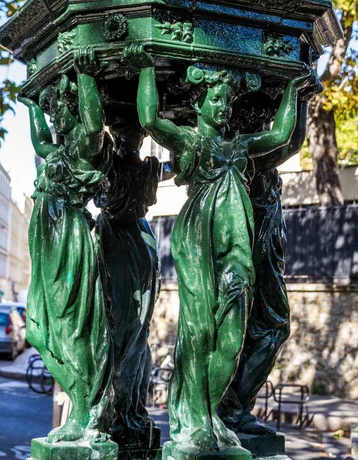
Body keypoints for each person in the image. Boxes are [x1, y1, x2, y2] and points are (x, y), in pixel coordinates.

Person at [130, 46, 317, 458]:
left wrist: (293, 89)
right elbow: (149, 119)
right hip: (201, 245)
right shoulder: (191, 144)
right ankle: (199, 419)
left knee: (231, 336)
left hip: (236, 254)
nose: (223, 107)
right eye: (216, 99)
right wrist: (144, 66)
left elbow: (280, 136)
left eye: (226, 101)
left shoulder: (238, 148)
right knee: (201, 333)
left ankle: (211, 411)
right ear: (199, 102)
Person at [19, 50, 113, 444]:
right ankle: (83, 405)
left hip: (68, 240)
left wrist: (88, 78)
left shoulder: (82, 143)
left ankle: (83, 411)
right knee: (41, 330)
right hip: (47, 243)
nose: (55, 115)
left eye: (60, 107)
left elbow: (93, 123)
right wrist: (30, 104)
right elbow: (40, 140)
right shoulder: (58, 149)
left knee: (70, 327)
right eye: (53, 108)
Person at [219, 88, 319, 435]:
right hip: (255, 258)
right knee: (264, 328)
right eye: (261, 120)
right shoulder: (249, 154)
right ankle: (231, 407)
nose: (267, 124)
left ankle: (234, 406)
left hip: (268, 258)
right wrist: (299, 96)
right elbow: (290, 142)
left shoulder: (259, 158)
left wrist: (304, 99)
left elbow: (292, 142)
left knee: (268, 329)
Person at [94, 120, 173, 448]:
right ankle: (119, 405)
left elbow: (180, 164)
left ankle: (125, 407)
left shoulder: (138, 166)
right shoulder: (114, 165)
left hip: (131, 241)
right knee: (122, 325)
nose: (130, 139)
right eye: (125, 134)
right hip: (129, 239)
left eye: (134, 135)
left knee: (132, 327)